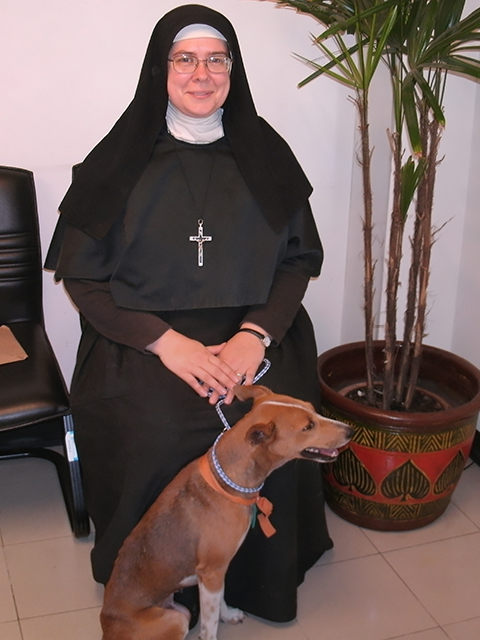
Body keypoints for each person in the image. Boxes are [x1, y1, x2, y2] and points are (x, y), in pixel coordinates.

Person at [45, 3, 332, 624]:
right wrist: (165, 343)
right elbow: (86, 280)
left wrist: (254, 335)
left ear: (233, 69)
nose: (201, 73)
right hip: (143, 337)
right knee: (157, 427)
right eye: (185, 59)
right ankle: (155, 572)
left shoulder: (268, 155)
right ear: (161, 69)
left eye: (215, 59)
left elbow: (297, 260)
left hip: (254, 331)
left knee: (278, 420)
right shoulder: (117, 160)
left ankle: (258, 578)